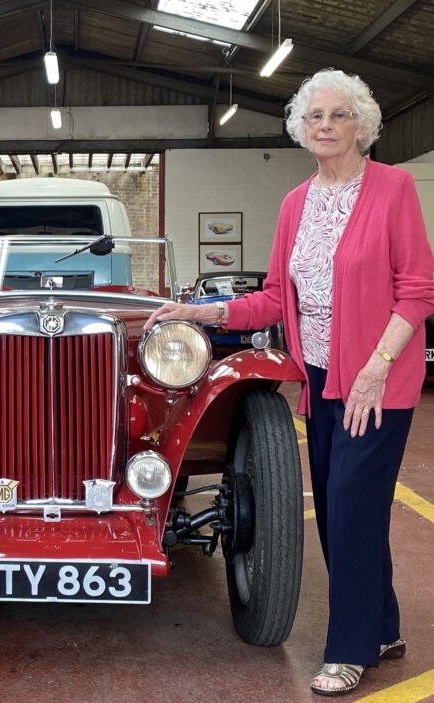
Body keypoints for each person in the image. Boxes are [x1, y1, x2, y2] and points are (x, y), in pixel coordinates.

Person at [145, 69, 434, 696]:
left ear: (362, 125)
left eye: (338, 115)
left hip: (377, 381)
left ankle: (350, 648)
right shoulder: (295, 204)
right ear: (302, 130)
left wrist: (377, 368)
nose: (325, 126)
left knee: (353, 507)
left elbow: (416, 291)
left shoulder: (393, 189)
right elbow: (275, 299)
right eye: (314, 117)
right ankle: (382, 625)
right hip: (322, 380)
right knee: (338, 513)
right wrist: (204, 312)